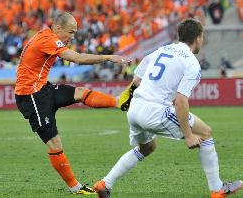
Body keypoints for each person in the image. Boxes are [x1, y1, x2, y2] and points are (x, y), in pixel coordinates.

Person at [94, 18, 243, 198]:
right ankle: (217, 188)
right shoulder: (191, 62)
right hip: (155, 111)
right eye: (202, 37)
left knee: (147, 147)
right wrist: (188, 135)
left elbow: (137, 81)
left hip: (135, 109)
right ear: (197, 38)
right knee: (205, 133)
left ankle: (104, 184)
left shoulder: (160, 50)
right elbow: (180, 101)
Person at [15, 12, 132, 195]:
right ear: (58, 28)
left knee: (79, 93)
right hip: (31, 96)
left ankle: (119, 102)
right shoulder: (49, 40)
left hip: (42, 89)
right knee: (55, 145)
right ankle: (75, 188)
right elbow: (78, 59)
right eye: (70, 32)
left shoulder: (44, 35)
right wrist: (109, 57)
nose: (72, 37)